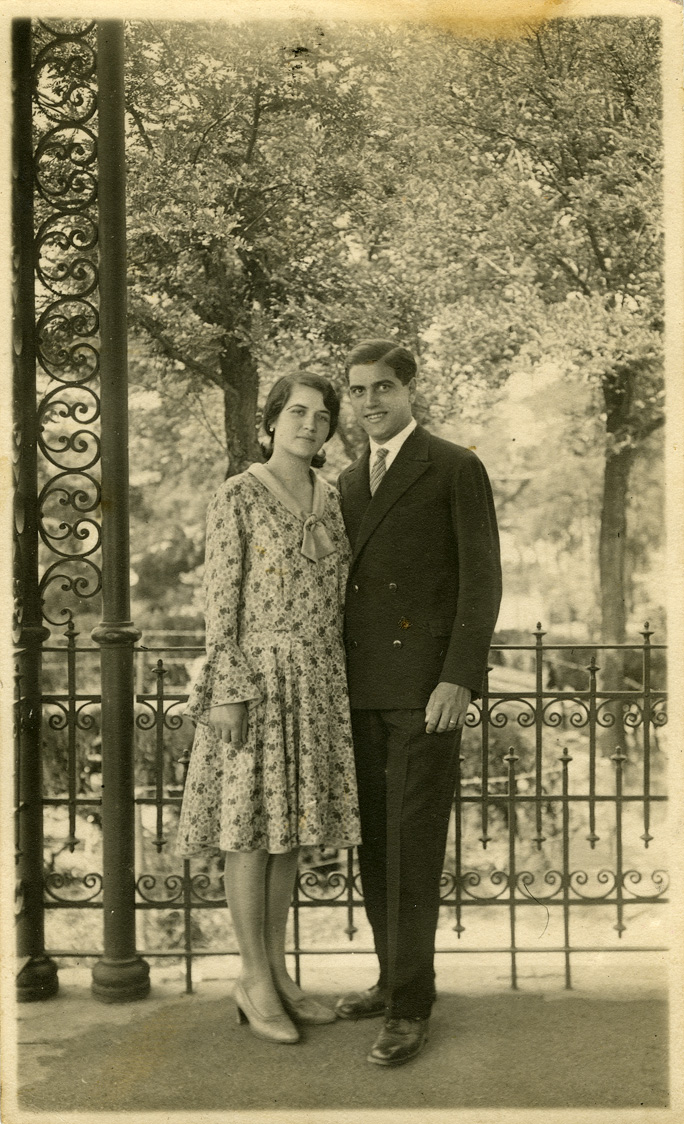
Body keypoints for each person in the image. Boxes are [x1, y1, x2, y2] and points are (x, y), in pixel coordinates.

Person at [177, 373, 361, 1044]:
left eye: (322, 415)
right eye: (297, 411)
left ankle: (278, 974)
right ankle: (252, 979)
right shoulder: (238, 495)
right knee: (250, 833)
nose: (310, 424)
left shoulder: (333, 499)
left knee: (287, 835)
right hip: (256, 682)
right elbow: (220, 601)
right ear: (271, 421)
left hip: (314, 681)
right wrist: (227, 690)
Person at [335, 339, 502, 1066]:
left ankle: (409, 1007)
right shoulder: (347, 481)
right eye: (358, 390)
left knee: (411, 844)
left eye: (383, 388)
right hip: (359, 692)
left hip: (425, 693)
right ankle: (390, 980)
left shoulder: (455, 466)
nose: (370, 402)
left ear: (409, 390)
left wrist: (458, 678)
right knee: (376, 844)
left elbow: (482, 579)